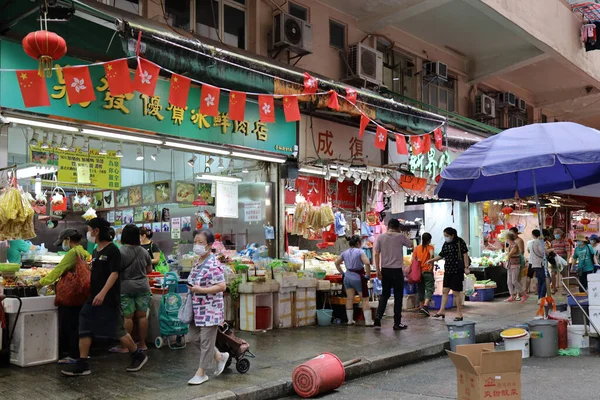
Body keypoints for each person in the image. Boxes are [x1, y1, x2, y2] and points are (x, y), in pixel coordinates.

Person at [61, 218, 147, 376]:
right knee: (84, 325)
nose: (88, 233)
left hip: (108, 298)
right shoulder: (96, 250)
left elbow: (114, 273)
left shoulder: (113, 250)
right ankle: (83, 363)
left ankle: (137, 354)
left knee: (118, 330)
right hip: (93, 296)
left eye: (89, 229)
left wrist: (102, 293)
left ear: (97, 231)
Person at [38, 229, 90, 364]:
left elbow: (58, 270)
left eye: (63, 242)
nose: (62, 245)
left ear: (68, 239)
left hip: (70, 296)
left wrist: (40, 283)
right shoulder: (83, 251)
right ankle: (81, 353)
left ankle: (73, 355)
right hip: (80, 294)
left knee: (70, 325)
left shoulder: (73, 253)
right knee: (78, 325)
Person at [186, 229, 229, 385]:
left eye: (201, 242)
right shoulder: (198, 262)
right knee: (193, 337)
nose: (197, 245)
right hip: (197, 309)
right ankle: (219, 356)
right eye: (195, 242)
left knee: (205, 342)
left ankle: (201, 372)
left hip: (211, 310)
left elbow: (222, 286)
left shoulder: (213, 263)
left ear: (209, 245)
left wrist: (201, 290)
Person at [110, 225, 153, 354]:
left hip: (126, 287)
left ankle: (125, 346)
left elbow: (115, 271)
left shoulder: (120, 251)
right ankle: (143, 344)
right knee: (142, 316)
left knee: (128, 317)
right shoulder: (144, 251)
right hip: (143, 287)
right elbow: (149, 270)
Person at [373, 219, 413, 330]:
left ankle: (378, 318)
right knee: (398, 297)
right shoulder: (400, 236)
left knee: (384, 295)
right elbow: (411, 245)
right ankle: (397, 323)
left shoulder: (380, 237)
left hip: (385, 270)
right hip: (396, 271)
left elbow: (376, 254)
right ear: (397, 227)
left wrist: (378, 270)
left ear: (388, 226)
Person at [426, 227, 469, 321]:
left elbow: (465, 254)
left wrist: (466, 267)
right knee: (445, 290)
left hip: (457, 270)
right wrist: (432, 260)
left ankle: (459, 313)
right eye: (445, 236)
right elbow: (442, 254)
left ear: (452, 235)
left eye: (447, 236)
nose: (445, 237)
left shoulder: (460, 242)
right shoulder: (446, 243)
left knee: (456, 292)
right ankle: (441, 311)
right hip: (448, 270)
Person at [334, 235, 374, 326]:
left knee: (349, 299)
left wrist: (343, 273)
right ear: (358, 243)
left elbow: (336, 263)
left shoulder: (345, 252)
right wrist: (367, 275)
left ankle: (350, 320)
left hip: (347, 277)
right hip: (358, 277)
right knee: (365, 299)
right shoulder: (360, 252)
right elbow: (367, 263)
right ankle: (368, 321)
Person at [413, 232, 435, 317]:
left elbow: (413, 259)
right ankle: (425, 306)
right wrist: (431, 265)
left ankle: (421, 306)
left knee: (420, 289)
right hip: (427, 271)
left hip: (419, 272)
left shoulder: (417, 248)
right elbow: (432, 254)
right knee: (429, 288)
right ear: (429, 240)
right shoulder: (430, 247)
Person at [504, 233, 528, 303]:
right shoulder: (510, 246)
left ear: (509, 238)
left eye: (507, 238)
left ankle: (524, 294)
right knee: (509, 281)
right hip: (510, 265)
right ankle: (512, 295)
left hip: (515, 265)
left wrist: (506, 255)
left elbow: (509, 255)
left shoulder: (515, 246)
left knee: (514, 281)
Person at [528, 230, 549, 304]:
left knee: (540, 281)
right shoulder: (540, 242)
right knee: (547, 280)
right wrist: (549, 250)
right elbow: (542, 251)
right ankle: (542, 297)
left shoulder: (534, 242)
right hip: (540, 264)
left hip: (535, 263)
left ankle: (540, 298)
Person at [551, 228, 570, 294]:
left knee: (564, 275)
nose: (556, 235)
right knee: (553, 274)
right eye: (555, 233)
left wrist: (567, 259)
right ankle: (554, 288)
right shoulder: (552, 242)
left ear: (561, 234)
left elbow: (568, 251)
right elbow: (551, 250)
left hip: (562, 259)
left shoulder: (565, 242)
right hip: (555, 259)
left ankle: (565, 289)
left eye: (557, 233)